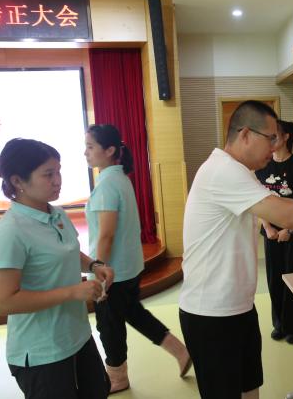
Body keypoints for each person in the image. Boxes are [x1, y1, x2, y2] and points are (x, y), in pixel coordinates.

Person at [179, 101, 293, 399]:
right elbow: (285, 215)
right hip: (211, 312)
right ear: (245, 135)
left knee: (249, 387)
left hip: (238, 306)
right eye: (270, 138)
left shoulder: (241, 171)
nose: (275, 145)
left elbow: (284, 203)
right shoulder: (223, 171)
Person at [0, 138, 113, 399]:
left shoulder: (57, 214)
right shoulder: (10, 232)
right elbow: (3, 302)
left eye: (58, 171)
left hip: (77, 336)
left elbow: (67, 250)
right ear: (18, 181)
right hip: (41, 352)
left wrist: (93, 265)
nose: (58, 180)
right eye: (48, 174)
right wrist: (72, 292)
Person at [84, 125, 190, 393]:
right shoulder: (120, 178)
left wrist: (100, 273)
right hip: (128, 266)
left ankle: (117, 377)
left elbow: (106, 235)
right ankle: (180, 351)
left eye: (90, 147)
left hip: (113, 272)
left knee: (109, 326)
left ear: (109, 150)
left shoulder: (108, 185)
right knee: (132, 313)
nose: (85, 152)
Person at [255, 120, 293, 345]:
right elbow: (258, 201)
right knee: (274, 279)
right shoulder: (263, 165)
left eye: (275, 135)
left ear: (286, 136)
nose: (271, 139)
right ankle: (279, 324)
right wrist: (268, 227)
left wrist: (289, 228)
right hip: (271, 234)